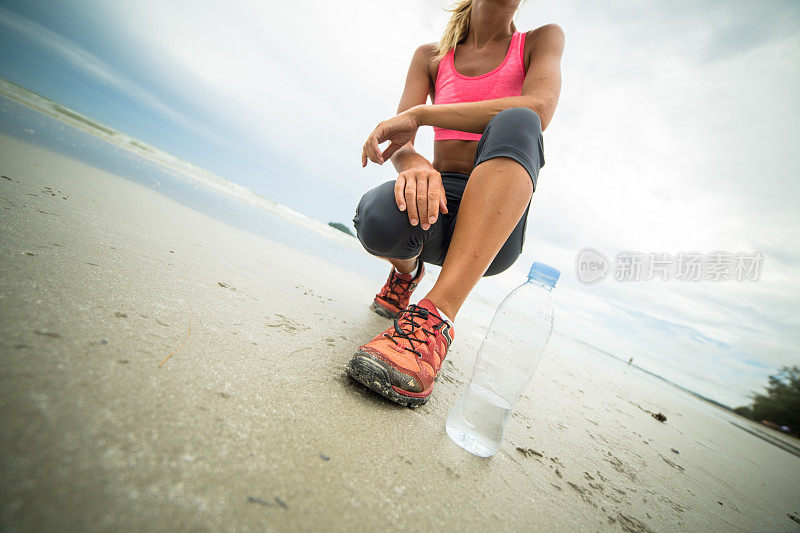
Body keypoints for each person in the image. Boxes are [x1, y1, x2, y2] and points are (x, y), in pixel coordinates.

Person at [347, 0, 564, 407]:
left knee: (520, 119)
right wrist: (413, 162)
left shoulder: (539, 40)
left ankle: (435, 318)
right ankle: (406, 276)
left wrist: (423, 114)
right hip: (437, 202)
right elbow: (401, 139)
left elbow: (539, 107)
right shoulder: (430, 57)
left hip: (493, 221)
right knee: (377, 218)